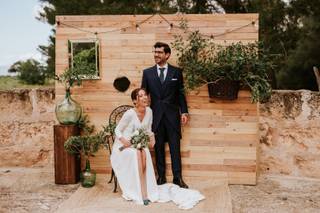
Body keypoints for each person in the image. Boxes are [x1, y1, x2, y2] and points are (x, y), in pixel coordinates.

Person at [141, 42, 189, 188]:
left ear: (167, 55)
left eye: (159, 52)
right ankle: (161, 177)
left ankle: (177, 178)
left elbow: (181, 93)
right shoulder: (147, 73)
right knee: (159, 147)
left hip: (173, 116)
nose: (156, 55)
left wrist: (184, 111)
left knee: (175, 147)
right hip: (156, 116)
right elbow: (144, 95)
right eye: (155, 52)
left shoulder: (177, 72)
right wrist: (142, 114)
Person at [110, 88, 158, 206]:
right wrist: (124, 141)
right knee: (136, 153)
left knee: (144, 151)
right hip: (124, 146)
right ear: (135, 101)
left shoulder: (150, 111)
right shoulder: (130, 113)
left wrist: (152, 138)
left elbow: (148, 130)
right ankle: (139, 192)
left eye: (145, 95)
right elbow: (117, 130)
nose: (145, 97)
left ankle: (146, 190)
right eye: (140, 96)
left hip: (138, 143)